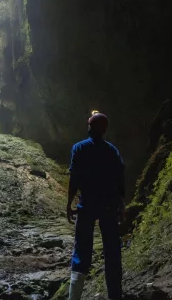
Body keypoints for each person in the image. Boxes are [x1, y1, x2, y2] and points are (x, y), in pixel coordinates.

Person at [66, 110, 125, 300]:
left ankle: (73, 297)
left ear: (91, 128)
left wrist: (69, 202)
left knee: (81, 250)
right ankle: (115, 295)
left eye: (89, 124)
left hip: (87, 204)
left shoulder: (79, 148)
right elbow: (119, 179)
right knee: (112, 251)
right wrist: (121, 204)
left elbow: (74, 178)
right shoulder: (112, 150)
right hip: (108, 205)